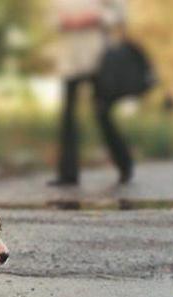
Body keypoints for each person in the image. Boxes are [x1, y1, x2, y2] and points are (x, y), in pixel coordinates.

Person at [51, 0, 154, 185]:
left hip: (99, 57)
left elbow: (120, 13)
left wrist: (97, 17)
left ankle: (125, 164)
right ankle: (68, 174)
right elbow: (50, 17)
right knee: (68, 116)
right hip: (69, 59)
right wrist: (63, 21)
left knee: (102, 113)